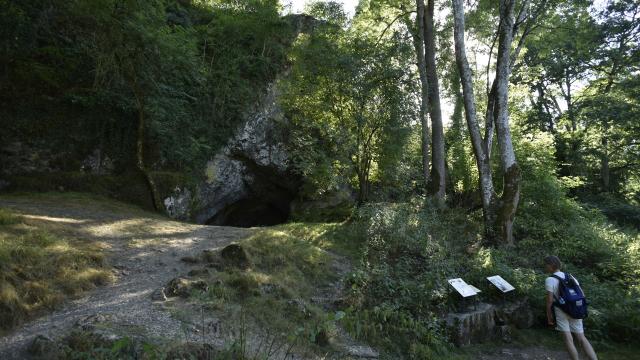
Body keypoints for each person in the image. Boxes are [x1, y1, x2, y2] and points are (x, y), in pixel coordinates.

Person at [544, 255, 598, 360]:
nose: (545, 267)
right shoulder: (570, 276)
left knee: (568, 339)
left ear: (551, 265)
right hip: (576, 310)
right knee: (581, 338)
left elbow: (550, 301)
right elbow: (582, 295)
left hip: (561, 311)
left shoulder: (550, 279)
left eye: (546, 265)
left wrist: (549, 316)